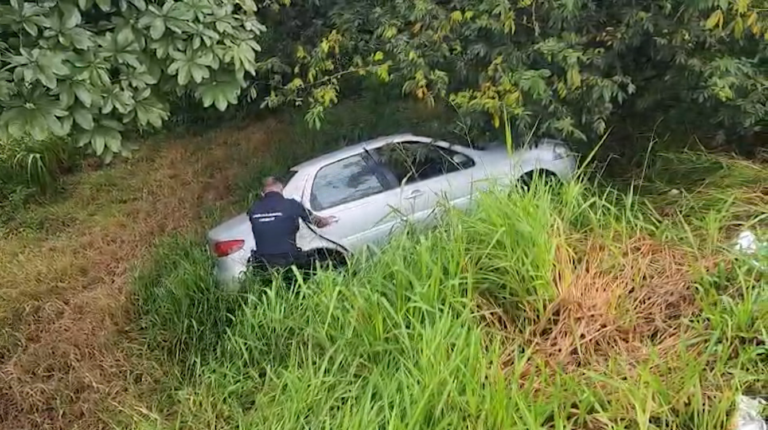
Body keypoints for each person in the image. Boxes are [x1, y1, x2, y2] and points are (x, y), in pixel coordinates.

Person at [247, 176, 334, 274]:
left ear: (263, 192)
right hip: (288, 262)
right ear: (281, 187)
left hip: (263, 265)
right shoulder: (292, 205)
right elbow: (318, 223)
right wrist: (329, 220)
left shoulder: (253, 208)